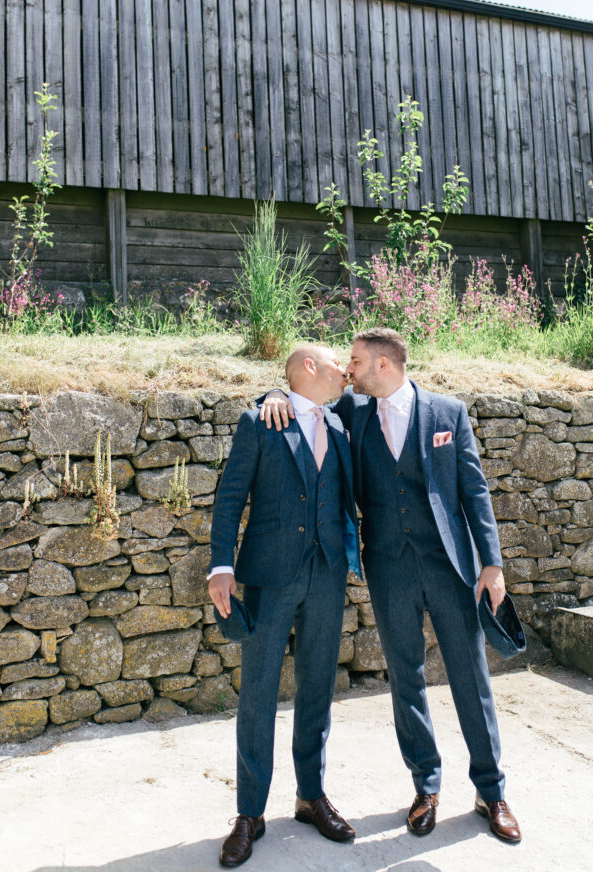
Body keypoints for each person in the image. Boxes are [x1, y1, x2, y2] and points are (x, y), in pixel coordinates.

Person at [260, 328, 521, 844]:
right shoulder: (352, 413)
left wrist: (491, 563)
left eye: (354, 361)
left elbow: (474, 488)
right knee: (406, 677)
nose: (348, 370)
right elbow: (299, 399)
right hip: (388, 567)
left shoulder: (449, 413)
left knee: (471, 676)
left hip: (450, 566)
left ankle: (490, 791)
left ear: (384, 364)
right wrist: (270, 393)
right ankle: (426, 786)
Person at [208, 344, 361, 868]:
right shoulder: (260, 421)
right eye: (337, 363)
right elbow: (230, 498)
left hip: (327, 576)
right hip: (269, 577)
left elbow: (382, 395)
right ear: (309, 369)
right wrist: (220, 566)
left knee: (318, 685)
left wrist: (278, 388)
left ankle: (310, 795)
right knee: (258, 692)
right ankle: (250, 812)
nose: (346, 369)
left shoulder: (342, 421)